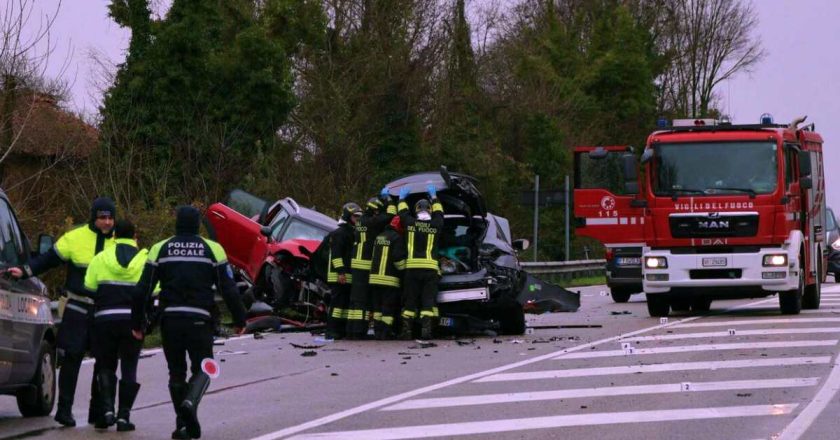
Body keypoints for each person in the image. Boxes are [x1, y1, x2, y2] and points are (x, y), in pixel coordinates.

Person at [131, 206, 246, 440]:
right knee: (204, 368)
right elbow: (229, 289)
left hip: (170, 320)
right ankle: (190, 404)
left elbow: (142, 289)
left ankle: (182, 426)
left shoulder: (160, 248)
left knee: (176, 373)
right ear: (197, 225)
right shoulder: (212, 249)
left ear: (177, 224)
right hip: (199, 320)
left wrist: (137, 323)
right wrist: (239, 318)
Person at [9, 197, 117, 427]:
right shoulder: (74, 238)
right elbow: (48, 259)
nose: (107, 222)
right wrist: (25, 271)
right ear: (93, 218)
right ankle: (64, 410)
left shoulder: (119, 242)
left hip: (104, 310)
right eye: (102, 218)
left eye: (110, 218)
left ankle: (98, 412)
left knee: (104, 361)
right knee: (72, 358)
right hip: (78, 306)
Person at [83, 219, 145, 431]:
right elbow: (154, 291)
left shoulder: (101, 257)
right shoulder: (144, 259)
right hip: (132, 321)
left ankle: (107, 411)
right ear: (135, 236)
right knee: (129, 366)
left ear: (114, 236)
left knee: (105, 366)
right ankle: (123, 418)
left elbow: (89, 288)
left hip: (105, 320)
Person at [346, 189, 396, 339]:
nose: (377, 214)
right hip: (365, 264)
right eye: (377, 211)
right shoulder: (372, 222)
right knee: (362, 300)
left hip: (357, 264)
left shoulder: (361, 221)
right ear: (374, 210)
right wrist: (390, 201)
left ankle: (352, 330)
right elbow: (390, 215)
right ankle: (358, 331)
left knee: (355, 299)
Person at [397, 185, 444, 340]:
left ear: (416, 210)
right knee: (428, 301)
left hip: (412, 269)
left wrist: (402, 199)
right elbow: (440, 213)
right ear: (430, 210)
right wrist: (435, 197)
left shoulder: (410, 224)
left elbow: (402, 212)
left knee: (410, 301)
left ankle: (406, 331)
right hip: (430, 270)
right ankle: (426, 331)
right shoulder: (436, 225)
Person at [324, 202, 361, 340]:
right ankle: (331, 331)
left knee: (344, 305)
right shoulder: (339, 233)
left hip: (348, 275)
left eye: (359, 217)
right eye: (355, 216)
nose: (358, 219)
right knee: (337, 305)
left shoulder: (352, 232)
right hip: (338, 275)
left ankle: (341, 330)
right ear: (347, 216)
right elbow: (336, 255)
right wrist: (340, 272)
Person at [368, 215, 406, 339]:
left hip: (374, 279)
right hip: (389, 280)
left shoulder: (379, 236)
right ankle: (385, 333)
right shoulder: (397, 238)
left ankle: (378, 333)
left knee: (377, 309)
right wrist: (405, 271)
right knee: (388, 309)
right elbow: (398, 259)